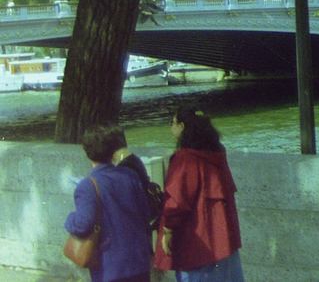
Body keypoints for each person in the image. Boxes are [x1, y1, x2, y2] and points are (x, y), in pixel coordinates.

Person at [154, 108, 244, 282]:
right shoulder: (218, 154)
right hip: (224, 241)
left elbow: (176, 202)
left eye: (172, 123)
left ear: (182, 126)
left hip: (197, 245)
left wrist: (168, 231)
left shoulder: (185, 158)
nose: (170, 127)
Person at [65, 124, 153, 282]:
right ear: (113, 150)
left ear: (87, 152)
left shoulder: (87, 185)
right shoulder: (130, 175)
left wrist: (69, 219)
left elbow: (82, 225)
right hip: (138, 261)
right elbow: (145, 214)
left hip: (110, 266)